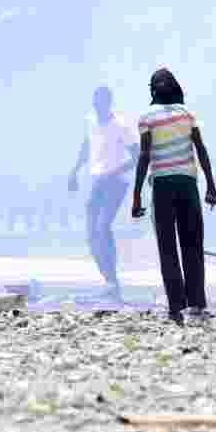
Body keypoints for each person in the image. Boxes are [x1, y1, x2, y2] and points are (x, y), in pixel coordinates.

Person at [132, 69, 216, 326]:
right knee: (192, 245)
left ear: (152, 91)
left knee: (168, 247)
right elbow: (200, 149)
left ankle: (175, 307)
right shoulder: (186, 114)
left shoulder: (146, 117)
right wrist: (211, 186)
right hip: (188, 184)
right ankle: (198, 304)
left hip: (162, 186)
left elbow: (145, 156)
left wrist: (136, 195)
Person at [69, 86, 138, 300]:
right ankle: (109, 281)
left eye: (101, 104)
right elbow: (87, 144)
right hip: (98, 180)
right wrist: (75, 170)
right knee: (91, 234)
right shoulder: (90, 121)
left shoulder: (121, 126)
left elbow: (137, 156)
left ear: (109, 104)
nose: (97, 108)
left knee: (103, 226)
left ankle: (112, 282)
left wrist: (114, 172)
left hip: (116, 181)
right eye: (94, 104)